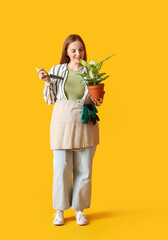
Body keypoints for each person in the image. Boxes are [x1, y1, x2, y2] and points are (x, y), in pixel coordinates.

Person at [37, 34, 104, 226]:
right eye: (73, 50)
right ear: (66, 51)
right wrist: (47, 82)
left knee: (84, 169)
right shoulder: (56, 70)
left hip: (85, 121)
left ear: (84, 51)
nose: (77, 53)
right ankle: (59, 211)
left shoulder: (91, 71)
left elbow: (96, 98)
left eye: (80, 49)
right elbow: (50, 100)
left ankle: (79, 211)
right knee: (61, 168)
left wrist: (99, 100)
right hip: (61, 121)